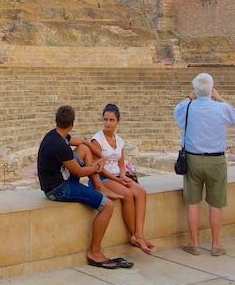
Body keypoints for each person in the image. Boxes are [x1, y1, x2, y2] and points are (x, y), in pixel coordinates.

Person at [37, 105, 127, 269]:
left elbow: (84, 142)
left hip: (61, 178)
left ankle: (99, 186)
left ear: (56, 121)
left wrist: (101, 157)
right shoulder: (59, 145)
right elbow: (79, 172)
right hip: (58, 189)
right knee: (107, 206)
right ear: (73, 123)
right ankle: (94, 252)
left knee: (85, 149)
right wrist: (97, 167)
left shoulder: (56, 136)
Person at [175, 73, 235, 256]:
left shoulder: (187, 107)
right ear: (211, 89)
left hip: (193, 159)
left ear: (195, 90)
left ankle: (194, 243)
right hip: (216, 160)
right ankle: (216, 244)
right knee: (215, 204)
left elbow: (177, 109)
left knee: (193, 203)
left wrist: (190, 96)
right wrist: (218, 97)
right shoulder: (221, 108)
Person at [90, 103, 151, 254]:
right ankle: (134, 236)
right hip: (102, 178)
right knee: (127, 195)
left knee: (141, 193)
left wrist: (124, 177)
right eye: (105, 119)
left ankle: (140, 234)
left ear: (118, 121)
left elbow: (121, 164)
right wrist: (118, 180)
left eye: (111, 120)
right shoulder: (97, 140)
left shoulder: (120, 141)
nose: (108, 123)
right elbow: (98, 168)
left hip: (117, 176)